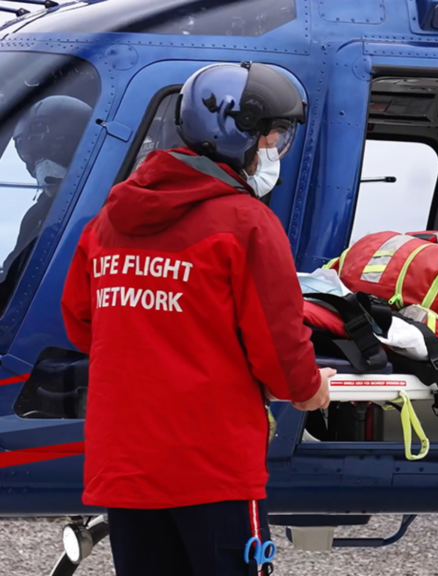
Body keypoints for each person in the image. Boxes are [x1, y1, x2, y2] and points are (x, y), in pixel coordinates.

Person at [60, 61, 334, 576]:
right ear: (240, 135)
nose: (275, 150)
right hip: (213, 471)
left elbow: (81, 322)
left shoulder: (106, 224)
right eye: (274, 136)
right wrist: (309, 389)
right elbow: (279, 349)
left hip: (124, 467)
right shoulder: (248, 222)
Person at [0, 95, 93, 306]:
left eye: (48, 151)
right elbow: (12, 276)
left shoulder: (92, 209)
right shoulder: (36, 214)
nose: (37, 163)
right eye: (30, 154)